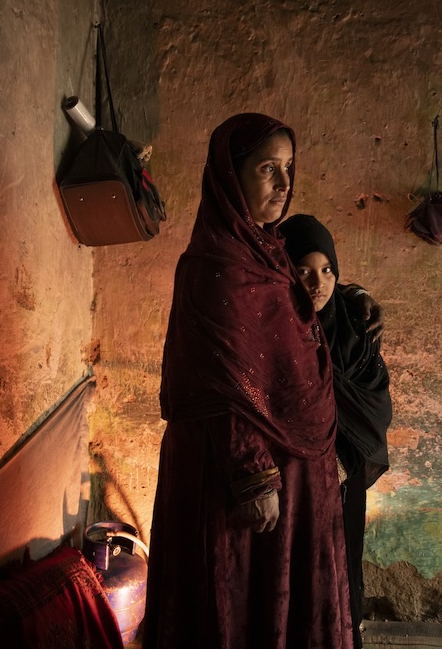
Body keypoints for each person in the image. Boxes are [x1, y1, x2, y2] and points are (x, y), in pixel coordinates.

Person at [142, 114, 354, 649]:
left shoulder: (270, 255)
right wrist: (254, 475)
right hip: (244, 483)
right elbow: (216, 387)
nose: (284, 184)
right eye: (267, 169)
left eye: (287, 168)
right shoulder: (214, 267)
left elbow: (295, 330)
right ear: (230, 177)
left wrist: (357, 302)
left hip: (298, 476)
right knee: (238, 608)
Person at [278, 214, 393, 649]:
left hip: (345, 475)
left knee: (344, 566)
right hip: (296, 478)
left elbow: (374, 407)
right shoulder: (277, 327)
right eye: (303, 270)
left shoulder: (353, 321)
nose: (317, 282)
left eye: (327, 270)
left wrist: (342, 461)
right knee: (299, 572)